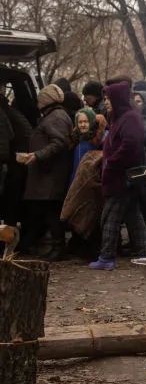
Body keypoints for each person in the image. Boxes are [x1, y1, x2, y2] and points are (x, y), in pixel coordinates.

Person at [89, 80, 146, 269]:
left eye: (108, 98)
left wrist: (112, 163)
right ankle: (145, 253)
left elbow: (130, 145)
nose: (106, 102)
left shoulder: (129, 118)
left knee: (110, 217)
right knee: (133, 217)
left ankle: (106, 257)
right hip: (122, 177)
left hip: (121, 177)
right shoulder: (122, 117)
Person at [20, 84, 73, 259]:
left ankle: (58, 248)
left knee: (51, 212)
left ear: (46, 101)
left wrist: (38, 155)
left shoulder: (56, 117)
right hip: (46, 174)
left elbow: (59, 143)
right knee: (44, 211)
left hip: (50, 175)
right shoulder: (53, 115)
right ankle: (37, 244)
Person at [0, 98, 33, 227]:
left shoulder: (6, 113)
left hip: (12, 160)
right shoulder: (12, 113)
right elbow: (10, 135)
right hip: (18, 159)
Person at [69, 107, 105, 183]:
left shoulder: (83, 145)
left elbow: (78, 172)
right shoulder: (78, 140)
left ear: (92, 122)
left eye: (86, 121)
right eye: (80, 122)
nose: (83, 124)